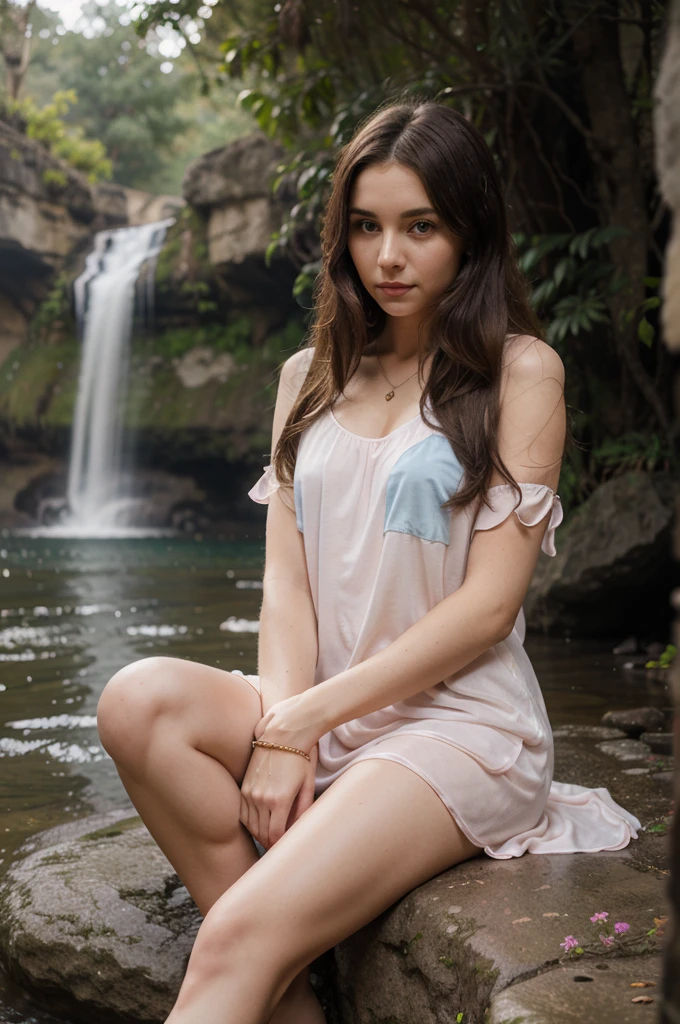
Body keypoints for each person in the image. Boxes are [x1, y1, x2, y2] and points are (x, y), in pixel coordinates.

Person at [96, 99, 642, 1024]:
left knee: (229, 939)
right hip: (329, 714)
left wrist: (297, 725)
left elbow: (487, 608)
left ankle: (255, 961)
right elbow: (288, 584)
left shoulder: (523, 374)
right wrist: (284, 722)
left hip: (460, 730)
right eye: (366, 226)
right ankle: (289, 999)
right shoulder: (304, 376)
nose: (388, 257)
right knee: (136, 701)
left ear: (469, 231)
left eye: (420, 227)